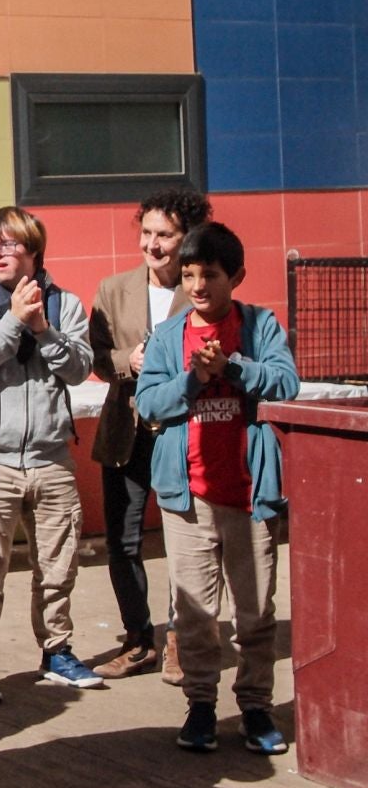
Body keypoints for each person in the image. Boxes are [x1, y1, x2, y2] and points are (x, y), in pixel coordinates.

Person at [135, 222, 299, 755]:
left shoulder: (259, 325)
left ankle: (255, 707)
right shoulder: (167, 336)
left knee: (255, 614)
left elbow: (286, 382)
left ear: (237, 277)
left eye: (210, 274)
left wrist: (232, 367)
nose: (198, 285)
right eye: (189, 275)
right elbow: (150, 404)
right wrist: (193, 380)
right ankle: (200, 706)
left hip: (251, 496)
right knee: (195, 614)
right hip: (189, 500)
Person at [0, 208, 99, 703]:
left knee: (57, 566)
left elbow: (80, 369)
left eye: (8, 245)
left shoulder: (66, 304)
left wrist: (44, 329)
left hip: (51, 455)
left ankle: (57, 650)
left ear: (33, 252)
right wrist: (15, 322)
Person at [89, 188, 208, 683]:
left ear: (187, 240)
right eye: (146, 233)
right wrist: (126, 362)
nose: (153, 245)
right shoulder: (113, 290)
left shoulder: (202, 289)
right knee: (123, 542)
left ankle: (181, 637)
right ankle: (139, 639)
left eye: (165, 235)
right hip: (127, 433)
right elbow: (96, 359)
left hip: (184, 433)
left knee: (188, 542)